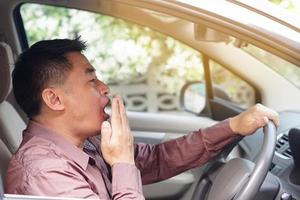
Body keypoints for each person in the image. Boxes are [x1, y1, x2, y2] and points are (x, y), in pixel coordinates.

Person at [5, 38, 279, 199]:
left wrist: (233, 127)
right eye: (91, 80)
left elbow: (160, 159)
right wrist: (123, 162)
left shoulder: (86, 143)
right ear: (54, 99)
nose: (105, 88)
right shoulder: (43, 174)